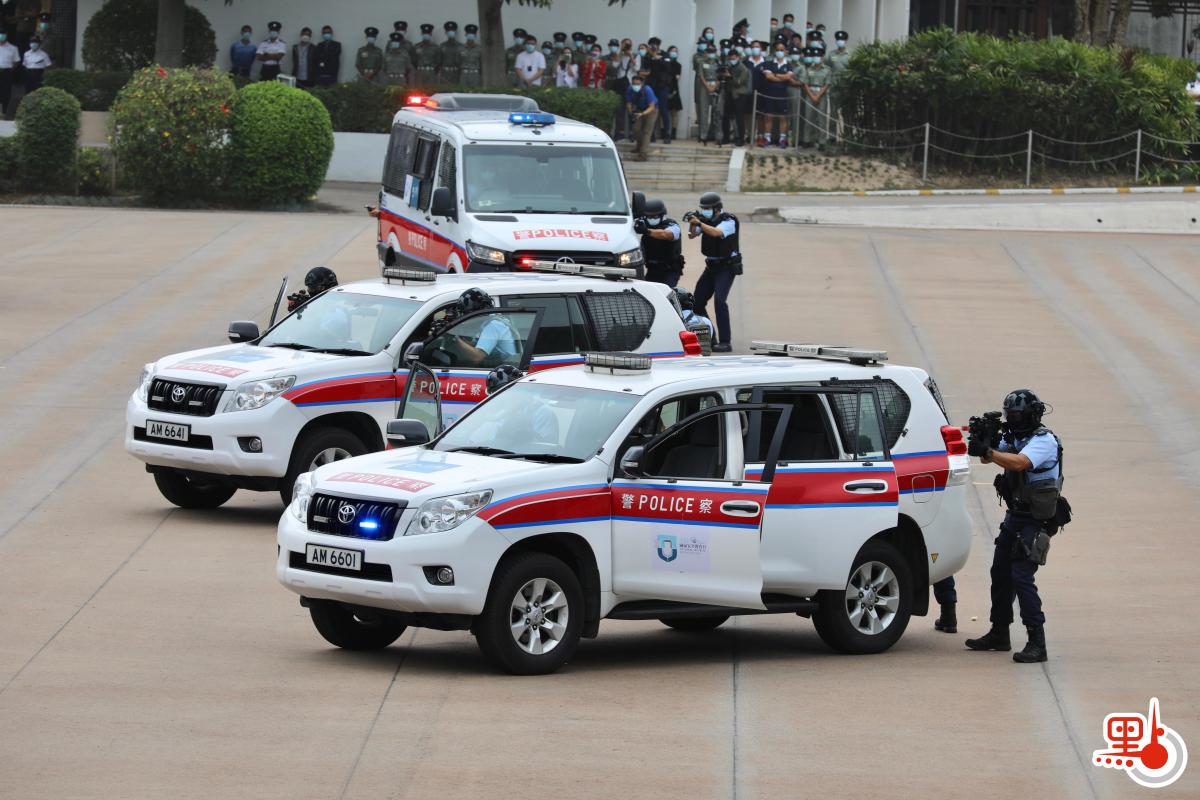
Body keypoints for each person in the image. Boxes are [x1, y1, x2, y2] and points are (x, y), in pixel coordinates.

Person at [965, 389, 1063, 664]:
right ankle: (999, 633)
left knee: (1021, 576)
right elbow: (987, 458)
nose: (1013, 420)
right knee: (1000, 572)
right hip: (1015, 516)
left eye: (1017, 415)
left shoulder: (1043, 441)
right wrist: (986, 440)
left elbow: (1020, 463)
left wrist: (989, 450)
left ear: (1032, 415)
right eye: (1010, 415)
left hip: (1036, 519)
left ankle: (1037, 642)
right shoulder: (1016, 438)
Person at [687, 192, 740, 353]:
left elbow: (716, 232)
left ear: (717, 208)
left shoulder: (729, 221)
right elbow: (692, 235)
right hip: (711, 267)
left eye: (707, 208)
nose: (704, 211)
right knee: (697, 303)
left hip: (726, 268)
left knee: (720, 301)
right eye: (702, 208)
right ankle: (711, 338)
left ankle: (725, 342)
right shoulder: (705, 220)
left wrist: (699, 222)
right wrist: (692, 222)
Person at [637, 198, 683, 287]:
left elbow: (666, 235)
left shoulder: (672, 225)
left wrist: (647, 231)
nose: (651, 219)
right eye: (649, 217)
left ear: (662, 215)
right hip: (652, 269)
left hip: (670, 270)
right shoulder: (644, 224)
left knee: (666, 292)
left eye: (655, 217)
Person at [758, 44, 792, 148]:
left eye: (782, 50)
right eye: (778, 50)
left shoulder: (788, 65)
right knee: (769, 116)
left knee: (783, 117)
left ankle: (782, 139)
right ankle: (767, 138)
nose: (779, 52)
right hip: (770, 93)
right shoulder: (769, 63)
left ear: (785, 51)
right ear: (774, 51)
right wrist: (781, 77)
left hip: (782, 93)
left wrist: (776, 75)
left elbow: (788, 77)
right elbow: (769, 77)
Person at [801, 47, 831, 148]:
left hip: (821, 95)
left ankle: (822, 141)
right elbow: (805, 84)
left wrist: (817, 95)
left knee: (821, 119)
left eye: (818, 56)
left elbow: (827, 84)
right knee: (808, 118)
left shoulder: (827, 69)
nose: (816, 58)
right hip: (810, 94)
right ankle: (807, 140)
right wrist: (812, 95)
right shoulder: (809, 69)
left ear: (822, 58)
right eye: (815, 56)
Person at [625, 73, 658, 162]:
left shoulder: (647, 90)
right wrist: (630, 113)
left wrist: (642, 114)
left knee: (646, 131)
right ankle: (639, 146)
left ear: (642, 84)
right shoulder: (630, 89)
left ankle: (643, 154)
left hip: (651, 110)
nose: (635, 86)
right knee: (636, 129)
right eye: (634, 84)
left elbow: (652, 106)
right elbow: (628, 103)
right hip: (639, 109)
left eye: (638, 84)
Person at [644, 38, 671, 144]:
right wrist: (650, 56)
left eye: (655, 45)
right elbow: (645, 66)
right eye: (652, 45)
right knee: (652, 110)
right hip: (651, 86)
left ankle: (667, 135)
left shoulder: (665, 55)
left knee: (664, 110)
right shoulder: (648, 56)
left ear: (659, 45)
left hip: (663, 86)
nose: (654, 47)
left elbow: (667, 67)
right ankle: (651, 135)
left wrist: (656, 56)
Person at [721, 48, 750, 146]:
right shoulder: (729, 66)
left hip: (739, 95)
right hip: (729, 94)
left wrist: (729, 76)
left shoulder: (743, 68)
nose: (732, 60)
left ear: (738, 57)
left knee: (739, 117)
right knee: (726, 116)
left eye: (733, 58)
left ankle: (740, 138)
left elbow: (739, 82)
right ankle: (726, 137)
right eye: (730, 59)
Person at [694, 38, 719, 144]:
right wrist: (707, 86)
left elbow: (721, 75)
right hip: (704, 87)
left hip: (716, 87)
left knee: (715, 111)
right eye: (709, 52)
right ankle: (702, 135)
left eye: (713, 52)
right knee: (703, 112)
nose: (711, 54)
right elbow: (700, 75)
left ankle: (713, 134)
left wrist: (715, 85)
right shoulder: (702, 62)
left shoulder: (719, 62)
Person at [826, 30, 851, 130]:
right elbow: (827, 68)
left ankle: (848, 134)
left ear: (846, 41)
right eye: (838, 39)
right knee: (833, 113)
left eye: (842, 39)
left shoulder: (850, 54)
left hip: (846, 87)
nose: (840, 41)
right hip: (834, 87)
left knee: (847, 113)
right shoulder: (831, 54)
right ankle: (832, 135)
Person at [413, 23, 440, 89]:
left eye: (428, 33)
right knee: (418, 91)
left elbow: (438, 61)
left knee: (430, 91)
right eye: (424, 33)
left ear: (431, 34)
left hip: (431, 72)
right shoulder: (416, 47)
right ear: (422, 34)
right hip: (420, 72)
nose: (426, 35)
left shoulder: (435, 47)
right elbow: (413, 60)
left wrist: (433, 70)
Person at [0, 30, 19, 117]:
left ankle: (4, 112)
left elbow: (16, 61)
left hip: (6, 72)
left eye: (3, 34)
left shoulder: (13, 48)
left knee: (6, 92)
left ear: (6, 35)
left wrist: (9, 69)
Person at [666, 45, 682, 140]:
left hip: (674, 89)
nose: (674, 53)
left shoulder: (678, 65)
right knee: (664, 112)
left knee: (674, 112)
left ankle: (673, 132)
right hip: (664, 88)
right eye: (672, 51)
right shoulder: (664, 63)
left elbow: (677, 77)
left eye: (675, 51)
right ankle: (664, 132)